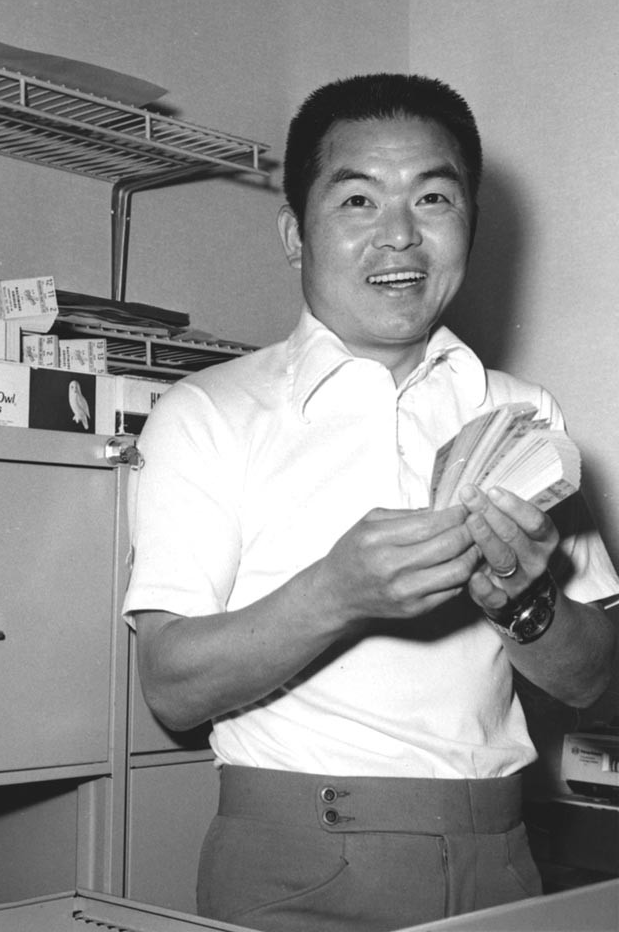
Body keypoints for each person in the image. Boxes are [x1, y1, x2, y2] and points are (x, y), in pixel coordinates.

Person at [122, 73, 618, 932]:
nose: (400, 235)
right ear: (295, 232)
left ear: (469, 222)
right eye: (358, 199)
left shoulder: (522, 412)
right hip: (298, 862)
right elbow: (171, 686)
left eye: (433, 197)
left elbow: (592, 678)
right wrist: (337, 593)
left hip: (501, 852)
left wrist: (523, 604)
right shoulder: (208, 410)